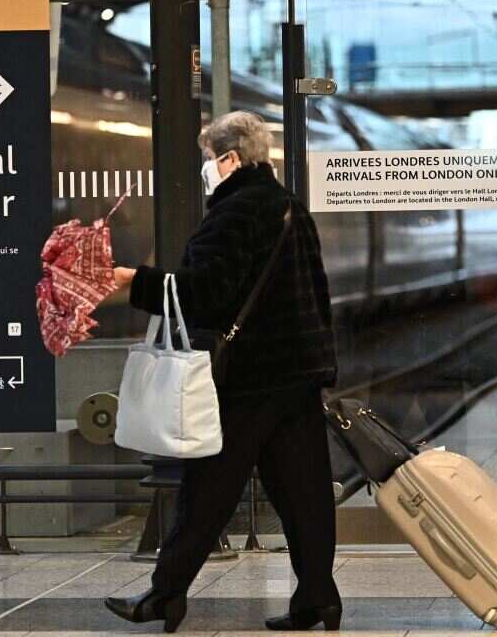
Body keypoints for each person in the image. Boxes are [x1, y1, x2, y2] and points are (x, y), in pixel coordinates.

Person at [106, 111, 342, 633]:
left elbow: (203, 293)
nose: (206, 169)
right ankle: (319, 597)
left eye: (209, 159)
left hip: (251, 378)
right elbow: (319, 293)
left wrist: (133, 282)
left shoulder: (235, 212)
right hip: (298, 374)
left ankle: (165, 594)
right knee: (303, 493)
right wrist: (322, 363)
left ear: (230, 158)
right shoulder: (288, 208)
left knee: (206, 489)